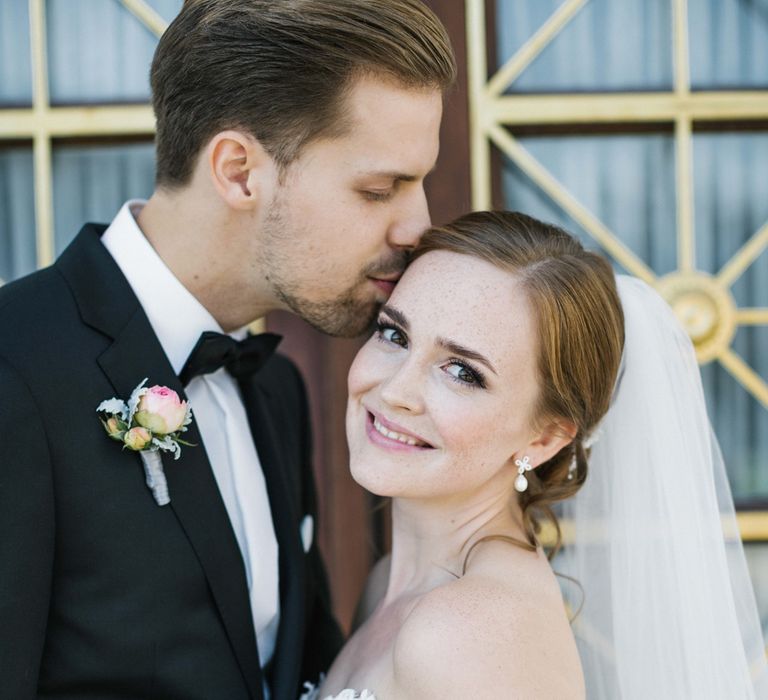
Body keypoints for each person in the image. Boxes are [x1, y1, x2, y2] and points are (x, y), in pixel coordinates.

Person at [0, 2, 455, 699]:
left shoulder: (276, 389)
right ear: (239, 171)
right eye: (379, 188)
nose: (418, 225)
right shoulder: (14, 370)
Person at [305, 211, 767, 699]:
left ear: (544, 439)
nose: (396, 391)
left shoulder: (471, 630)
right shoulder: (388, 587)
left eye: (462, 372)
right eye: (394, 335)